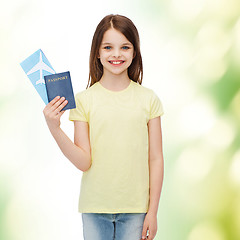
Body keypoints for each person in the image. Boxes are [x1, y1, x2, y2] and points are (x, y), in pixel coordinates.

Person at [43, 14, 164, 240]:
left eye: (124, 47)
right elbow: (83, 161)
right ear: (97, 52)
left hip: (136, 209)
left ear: (134, 52)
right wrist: (55, 128)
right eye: (108, 47)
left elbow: (156, 158)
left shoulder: (149, 100)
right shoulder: (83, 100)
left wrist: (153, 211)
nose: (116, 54)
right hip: (94, 209)